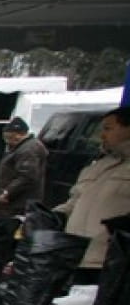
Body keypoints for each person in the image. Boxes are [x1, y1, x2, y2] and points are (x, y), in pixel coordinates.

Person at [55, 106, 130, 274]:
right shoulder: (98, 166)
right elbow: (74, 201)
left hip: (109, 264)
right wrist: (53, 215)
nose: (102, 135)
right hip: (75, 256)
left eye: (108, 128)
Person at [0, 116, 47, 217]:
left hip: (16, 203)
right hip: (15, 201)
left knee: (5, 226)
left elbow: (27, 176)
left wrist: (8, 192)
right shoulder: (23, 147)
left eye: (9, 138)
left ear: (19, 134)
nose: (7, 141)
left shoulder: (28, 150)